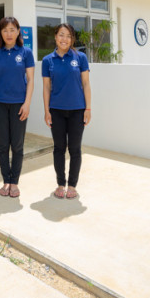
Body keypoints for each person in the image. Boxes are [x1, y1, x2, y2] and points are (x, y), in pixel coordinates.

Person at [0, 17, 35, 198]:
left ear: (18, 31)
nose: (9, 33)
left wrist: (27, 103)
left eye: (12, 29)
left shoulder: (26, 52)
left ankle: (14, 182)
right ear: (0, 32)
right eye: (5, 30)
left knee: (17, 145)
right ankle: (5, 180)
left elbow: (30, 80)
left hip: (18, 105)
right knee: (2, 145)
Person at [42, 23, 91, 199]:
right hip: (56, 110)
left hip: (77, 110)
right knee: (58, 148)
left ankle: (72, 185)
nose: (65, 39)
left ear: (72, 39)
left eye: (68, 36)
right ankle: (60, 184)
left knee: (75, 149)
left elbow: (86, 84)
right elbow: (46, 87)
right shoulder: (48, 60)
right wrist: (47, 110)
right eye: (61, 35)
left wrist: (88, 108)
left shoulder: (80, 58)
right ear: (56, 37)